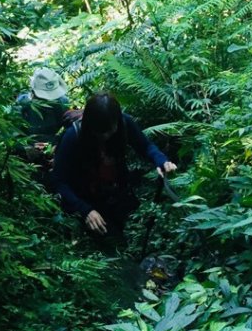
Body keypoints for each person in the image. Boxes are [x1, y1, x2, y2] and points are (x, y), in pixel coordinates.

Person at [52, 92, 177, 236]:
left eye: (108, 131)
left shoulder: (124, 123)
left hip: (116, 191)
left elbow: (145, 146)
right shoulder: (73, 136)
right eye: (98, 132)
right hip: (85, 196)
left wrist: (162, 161)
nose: (104, 136)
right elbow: (58, 180)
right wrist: (85, 210)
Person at [15, 67, 70, 143]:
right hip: (27, 145)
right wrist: (26, 147)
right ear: (33, 92)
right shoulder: (22, 104)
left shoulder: (62, 102)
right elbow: (13, 136)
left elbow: (69, 129)